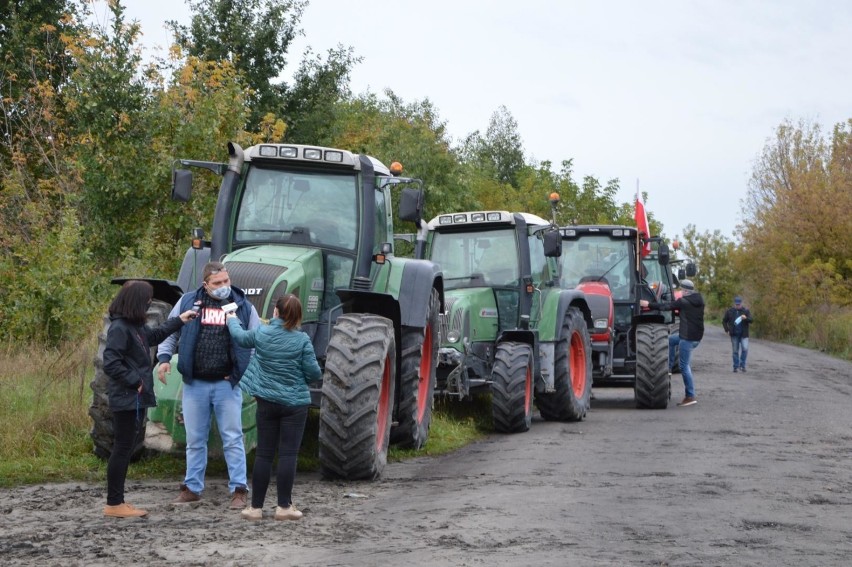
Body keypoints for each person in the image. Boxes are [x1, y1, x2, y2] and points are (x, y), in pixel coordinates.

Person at [157, 261, 261, 508]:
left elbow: (256, 342)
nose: (224, 286)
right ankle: (192, 487)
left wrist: (244, 373)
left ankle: (239, 490)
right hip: (196, 383)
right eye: (218, 283)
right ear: (206, 284)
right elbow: (171, 331)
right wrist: (163, 359)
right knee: (195, 439)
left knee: (233, 438)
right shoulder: (188, 303)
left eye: (227, 281)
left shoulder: (244, 307)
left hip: (227, 385)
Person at [102, 280, 197, 518]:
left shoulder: (134, 326)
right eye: (147, 299)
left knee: (124, 447)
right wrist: (137, 382)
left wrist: (179, 320)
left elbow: (154, 335)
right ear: (136, 301)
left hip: (135, 397)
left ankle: (117, 501)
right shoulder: (120, 328)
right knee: (122, 448)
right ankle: (114, 503)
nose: (148, 303)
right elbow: (111, 363)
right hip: (127, 397)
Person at [226, 294, 322, 521]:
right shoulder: (302, 340)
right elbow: (314, 373)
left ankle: (255, 508)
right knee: (288, 454)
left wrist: (231, 318)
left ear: (276, 312)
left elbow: (240, 337)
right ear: (298, 316)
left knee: (264, 455)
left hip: (266, 402)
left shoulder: (262, 333)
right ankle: (284, 507)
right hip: (295, 405)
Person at [640, 279, 705, 407]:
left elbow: (666, 306)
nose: (680, 291)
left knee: (684, 367)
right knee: (669, 340)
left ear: (685, 291)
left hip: (687, 338)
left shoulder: (683, 302)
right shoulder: (700, 300)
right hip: (696, 337)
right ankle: (668, 367)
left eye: (681, 289)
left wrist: (649, 304)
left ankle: (690, 396)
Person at [722, 296, 752, 372]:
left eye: (739, 304)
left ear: (741, 303)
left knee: (745, 349)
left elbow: (751, 320)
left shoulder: (746, 311)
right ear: (734, 304)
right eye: (736, 304)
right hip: (734, 334)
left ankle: (742, 366)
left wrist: (746, 318)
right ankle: (735, 366)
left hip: (744, 334)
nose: (737, 305)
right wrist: (727, 330)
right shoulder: (729, 311)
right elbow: (724, 321)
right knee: (735, 351)